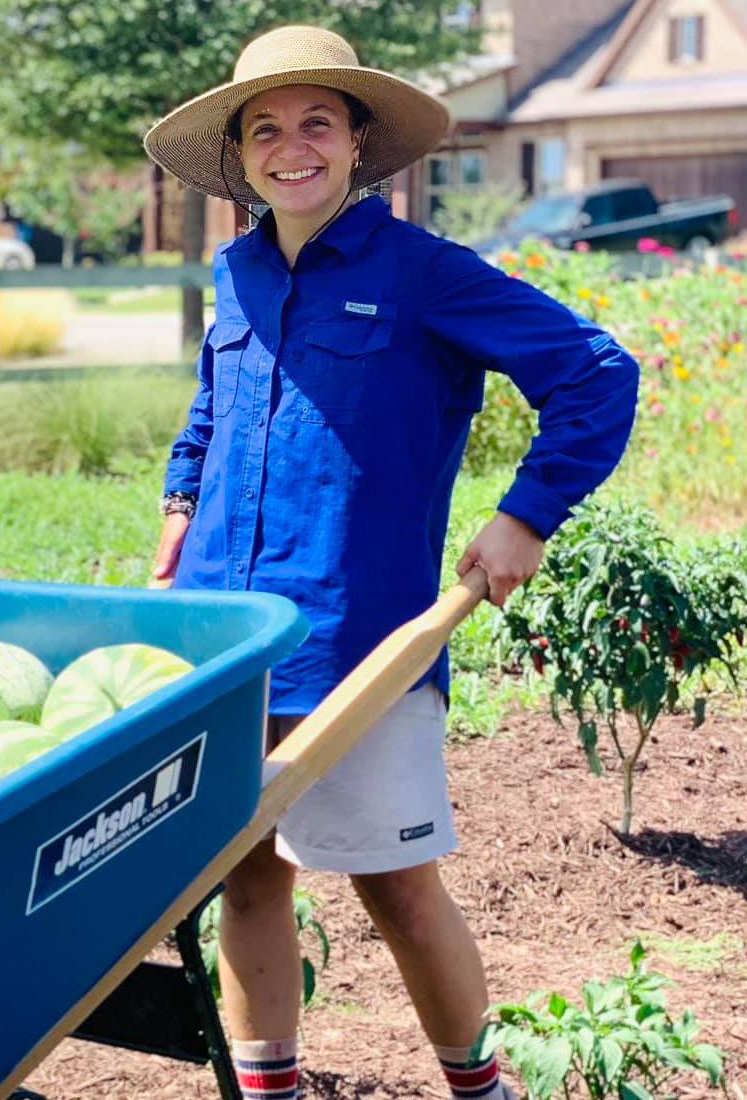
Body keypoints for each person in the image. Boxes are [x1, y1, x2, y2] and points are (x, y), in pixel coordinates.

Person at [141, 25, 638, 1100]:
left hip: (363, 640)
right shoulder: (234, 272)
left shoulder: (425, 274)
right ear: (243, 154)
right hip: (227, 637)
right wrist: (181, 507)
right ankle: (269, 1089)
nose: (293, 147)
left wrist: (527, 515)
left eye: (318, 121)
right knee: (246, 874)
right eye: (265, 128)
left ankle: (483, 1089)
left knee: (397, 886)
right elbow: (212, 413)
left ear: (360, 141)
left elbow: (597, 372)